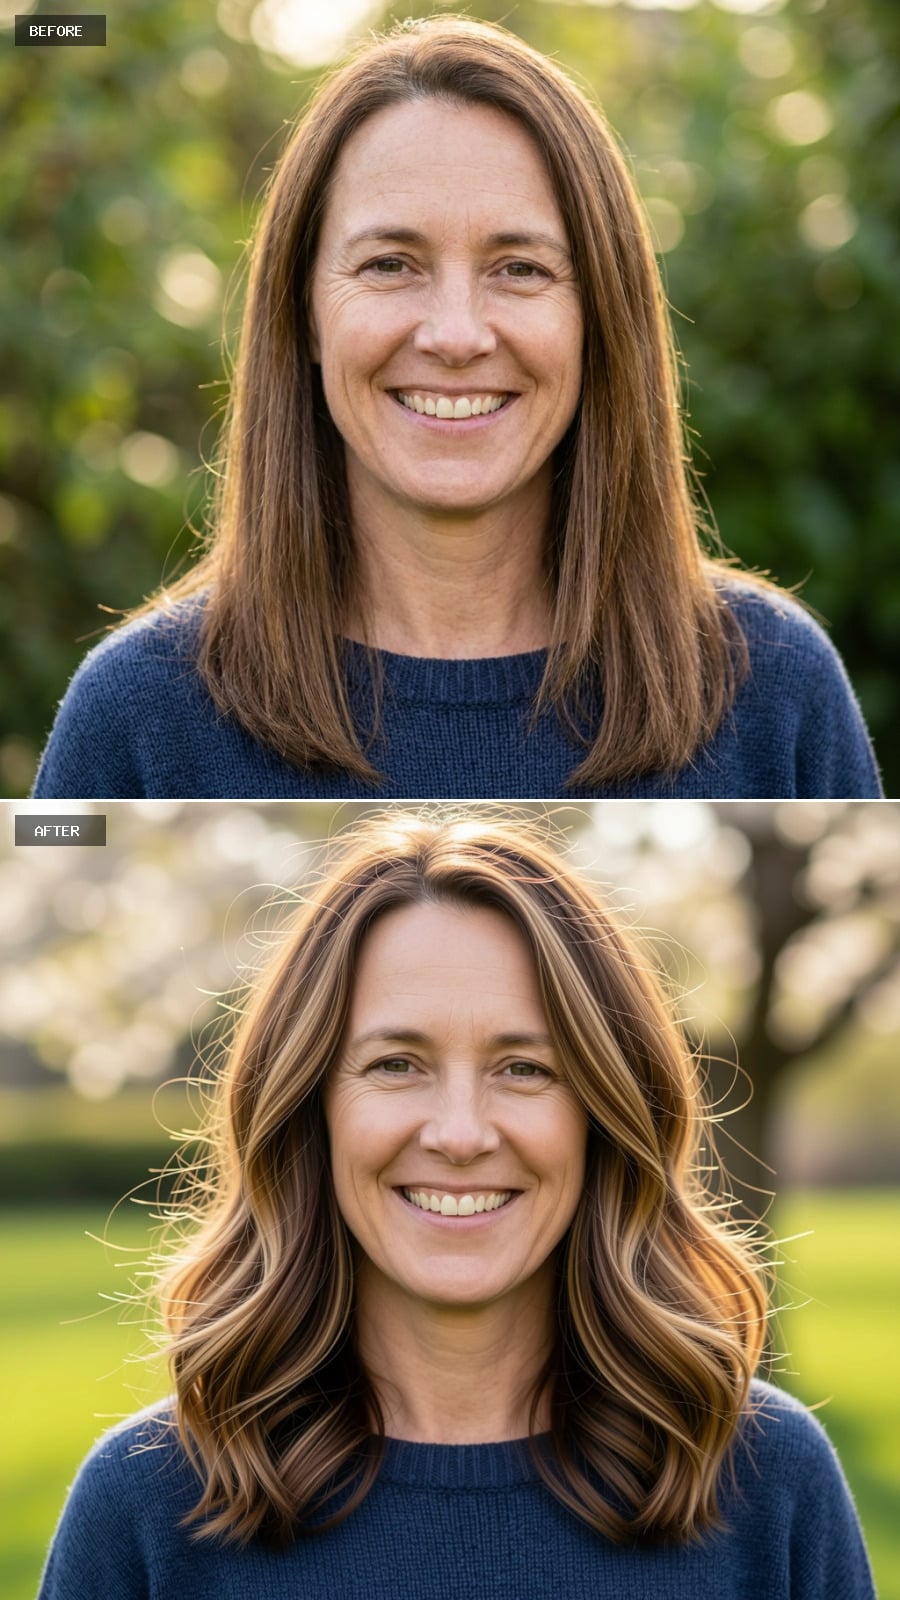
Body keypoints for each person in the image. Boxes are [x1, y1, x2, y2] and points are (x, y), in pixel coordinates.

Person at [32, 19, 880, 801]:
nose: (456, 334)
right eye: (391, 265)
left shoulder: (774, 690)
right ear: (305, 316)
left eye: (520, 269)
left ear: (601, 322)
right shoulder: (137, 715)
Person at [39, 813, 876, 1598]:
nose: (462, 1134)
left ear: (604, 1117)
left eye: (526, 1069)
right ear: (310, 1111)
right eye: (397, 1064)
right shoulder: (146, 1505)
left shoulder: (768, 1482)